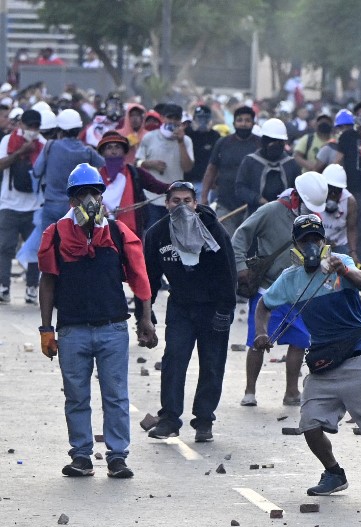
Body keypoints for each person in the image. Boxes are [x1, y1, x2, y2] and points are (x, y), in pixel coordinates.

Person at [253, 214, 361, 499]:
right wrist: (261, 333)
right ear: (296, 245)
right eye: (305, 240)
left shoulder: (341, 263)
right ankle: (334, 472)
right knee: (309, 424)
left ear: (324, 240)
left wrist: (345, 272)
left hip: (357, 354)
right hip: (323, 359)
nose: (312, 244)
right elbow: (263, 305)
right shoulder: (290, 279)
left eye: (316, 238)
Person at [37, 164, 158, 479]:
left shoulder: (117, 232)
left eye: (94, 193)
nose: (89, 199)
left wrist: (145, 318)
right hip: (72, 330)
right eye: (82, 194)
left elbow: (138, 276)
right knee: (76, 396)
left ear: (102, 197)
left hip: (113, 328)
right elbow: (47, 281)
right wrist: (46, 329)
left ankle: (118, 457)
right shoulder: (56, 234)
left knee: (116, 395)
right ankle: (81, 456)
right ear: (72, 200)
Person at [143, 181, 236, 442]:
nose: (181, 206)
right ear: (166, 204)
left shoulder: (213, 230)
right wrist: (146, 312)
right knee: (174, 360)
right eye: (175, 201)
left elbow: (228, 272)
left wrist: (225, 310)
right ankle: (170, 419)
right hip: (181, 306)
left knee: (212, 364)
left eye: (187, 201)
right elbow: (149, 277)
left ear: (195, 203)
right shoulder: (157, 234)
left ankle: (204, 420)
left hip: (213, 306)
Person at [231, 171, 328, 407]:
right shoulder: (271, 211)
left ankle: (292, 391)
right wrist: (240, 265)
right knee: (259, 339)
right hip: (269, 288)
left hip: (299, 289)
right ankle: (250, 390)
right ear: (297, 198)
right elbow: (240, 236)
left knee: (301, 339)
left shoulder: (314, 219)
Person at [315, 103, 361, 269]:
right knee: (358, 228)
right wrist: (330, 178)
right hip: (355, 188)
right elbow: (338, 159)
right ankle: (360, 262)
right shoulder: (348, 137)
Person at [0, 109, 43, 304]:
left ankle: (32, 288)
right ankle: (3, 287)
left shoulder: (42, 145)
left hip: (34, 206)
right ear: (21, 125)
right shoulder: (8, 141)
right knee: (5, 247)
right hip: (9, 204)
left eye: (36, 127)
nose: (32, 130)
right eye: (29, 126)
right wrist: (20, 153)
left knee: (35, 249)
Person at [97, 131, 170, 237]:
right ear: (103, 152)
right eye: (109, 148)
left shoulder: (135, 173)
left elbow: (158, 187)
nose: (113, 151)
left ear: (124, 151)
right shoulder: (94, 177)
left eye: (117, 147)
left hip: (131, 232)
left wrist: (176, 187)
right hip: (103, 232)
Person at [200, 105, 259, 233]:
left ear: (253, 123)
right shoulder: (223, 143)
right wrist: (204, 197)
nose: (243, 124)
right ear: (234, 123)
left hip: (251, 206)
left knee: (246, 245)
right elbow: (211, 169)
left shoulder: (259, 145)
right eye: (240, 120)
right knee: (226, 241)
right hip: (225, 203)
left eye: (247, 120)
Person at [135, 103, 195, 228]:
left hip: (177, 200)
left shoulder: (186, 141)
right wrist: (150, 164)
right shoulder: (149, 137)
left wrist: (181, 142)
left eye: (176, 118)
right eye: (169, 117)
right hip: (152, 198)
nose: (172, 121)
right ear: (162, 118)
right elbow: (137, 163)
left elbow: (187, 167)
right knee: (153, 234)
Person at [235, 117, 301, 216]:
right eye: (272, 141)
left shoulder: (291, 163)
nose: (276, 145)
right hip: (256, 215)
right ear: (264, 141)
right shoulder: (250, 161)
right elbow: (240, 188)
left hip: (285, 216)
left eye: (279, 142)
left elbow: (298, 190)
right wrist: (257, 199)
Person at [321, 164, 357, 256]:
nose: (332, 195)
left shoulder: (350, 202)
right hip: (316, 244)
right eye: (330, 189)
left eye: (336, 191)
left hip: (338, 246)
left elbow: (351, 228)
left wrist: (353, 252)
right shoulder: (315, 196)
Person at [185, 105, 220, 197]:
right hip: (187, 182)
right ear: (193, 119)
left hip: (206, 183)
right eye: (200, 118)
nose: (203, 121)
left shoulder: (215, 136)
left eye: (206, 118)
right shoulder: (186, 134)